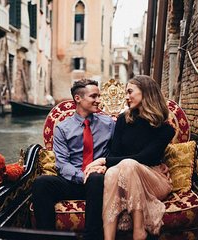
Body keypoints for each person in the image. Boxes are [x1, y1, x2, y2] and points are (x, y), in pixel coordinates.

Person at [84, 75, 175, 240]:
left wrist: (104, 160)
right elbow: (115, 152)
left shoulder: (166, 128)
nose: (126, 97)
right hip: (125, 173)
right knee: (112, 173)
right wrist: (107, 165)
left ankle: (139, 231)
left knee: (128, 164)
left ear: (146, 92)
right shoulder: (122, 120)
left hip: (153, 178)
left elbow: (146, 157)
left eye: (130, 91)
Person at [32, 79, 115, 240]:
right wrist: (82, 176)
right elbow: (62, 163)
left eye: (99, 96)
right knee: (41, 183)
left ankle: (92, 237)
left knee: (96, 178)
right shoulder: (63, 128)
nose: (98, 100)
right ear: (78, 98)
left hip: (99, 183)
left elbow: (117, 151)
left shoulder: (109, 124)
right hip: (73, 181)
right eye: (94, 96)